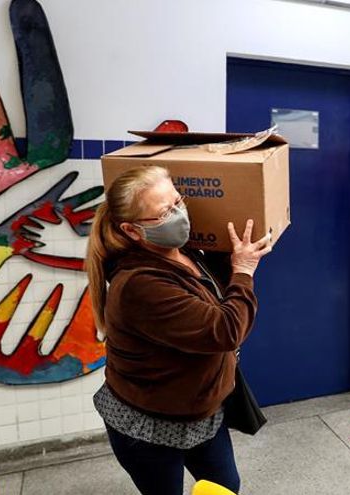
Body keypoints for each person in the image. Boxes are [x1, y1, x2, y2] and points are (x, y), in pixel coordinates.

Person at [85, 165, 272, 495]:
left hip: (201, 413)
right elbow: (224, 330)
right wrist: (243, 271)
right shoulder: (139, 284)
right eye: (162, 213)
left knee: (225, 488)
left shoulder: (184, 252)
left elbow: (217, 295)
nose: (178, 215)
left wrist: (240, 252)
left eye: (177, 202)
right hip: (147, 426)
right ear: (131, 230)